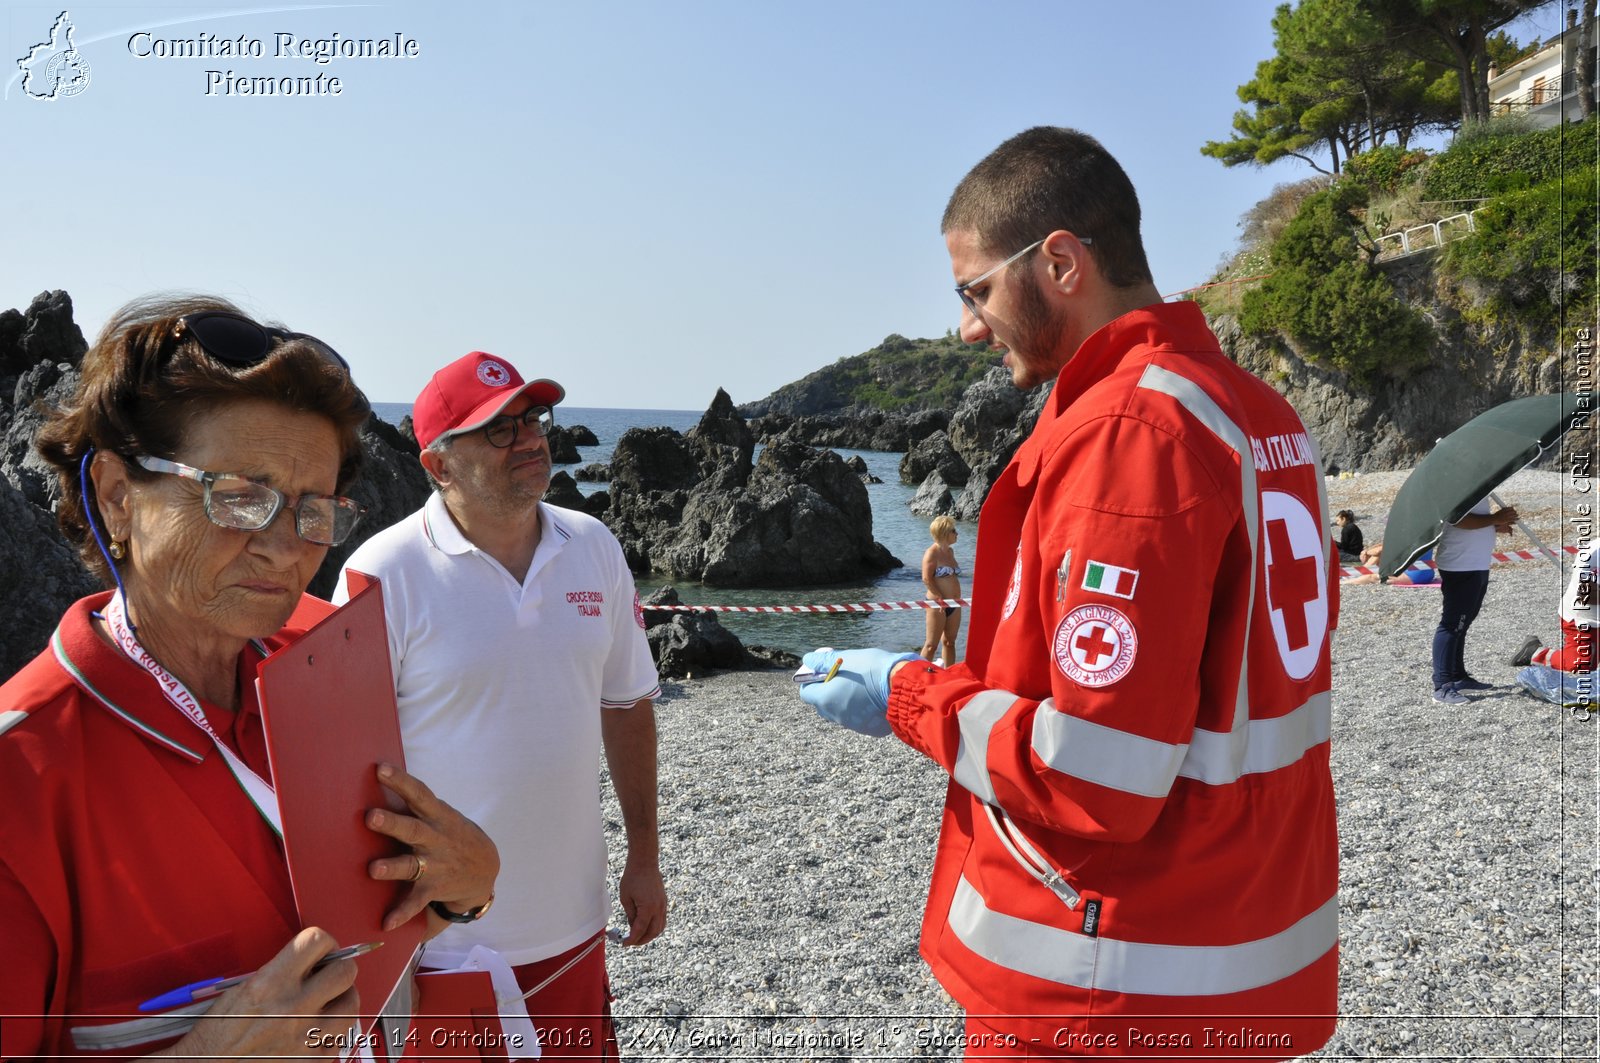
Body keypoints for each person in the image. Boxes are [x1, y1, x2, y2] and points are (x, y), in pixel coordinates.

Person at [799, 127, 1338, 1059]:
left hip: (1114, 982)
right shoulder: (1254, 408)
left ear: (1059, 261)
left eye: (974, 290)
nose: (968, 326)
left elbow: (1096, 771)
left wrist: (907, 698)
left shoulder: (1134, 428)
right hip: (1246, 932)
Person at [0, 296, 500, 1061]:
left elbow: (374, 919)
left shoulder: (322, 658)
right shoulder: (23, 777)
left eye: (312, 511)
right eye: (238, 495)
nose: (284, 550)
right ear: (115, 496)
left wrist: (467, 888)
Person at [334, 351, 664, 1060]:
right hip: (442, 949)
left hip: (575, 928)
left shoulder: (595, 547)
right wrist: (379, 953)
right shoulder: (378, 572)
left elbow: (627, 703)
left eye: (532, 418)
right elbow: (339, 779)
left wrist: (645, 855)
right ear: (437, 464)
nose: (531, 438)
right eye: (498, 429)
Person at [1431, 497, 1518, 704]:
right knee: (1453, 623)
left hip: (1475, 562)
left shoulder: (1474, 483)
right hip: (1461, 564)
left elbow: (1470, 522)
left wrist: (1495, 525)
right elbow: (1457, 520)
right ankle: (1442, 685)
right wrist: (1494, 518)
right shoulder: (1456, 483)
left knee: (1464, 622)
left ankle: (1457, 676)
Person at [1511, 542, 1598, 671]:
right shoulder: (1594, 553)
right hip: (1584, 619)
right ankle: (1535, 653)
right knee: (1581, 664)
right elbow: (1586, 595)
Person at [920, 515, 964, 666]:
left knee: (949, 642)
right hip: (937, 604)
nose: (957, 533)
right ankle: (919, 676)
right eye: (953, 530)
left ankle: (949, 675)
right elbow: (926, 578)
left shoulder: (950, 552)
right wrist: (939, 598)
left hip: (955, 603)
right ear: (945, 532)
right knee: (931, 644)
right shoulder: (931, 553)